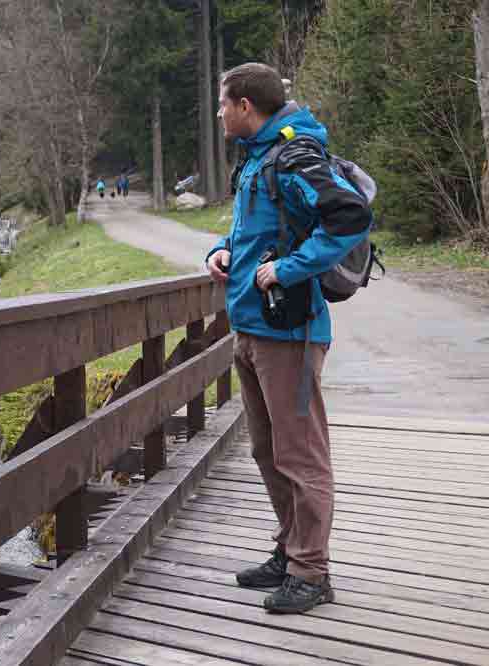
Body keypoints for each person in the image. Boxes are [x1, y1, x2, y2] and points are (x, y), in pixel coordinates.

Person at [205, 63, 371, 614]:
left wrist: (292, 268)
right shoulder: (259, 158)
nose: (220, 112)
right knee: (266, 451)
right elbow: (252, 227)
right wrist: (220, 251)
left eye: (224, 103)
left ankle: (311, 573)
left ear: (246, 106)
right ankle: (288, 549)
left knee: (301, 455)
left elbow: (349, 217)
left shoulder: (296, 155)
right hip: (252, 327)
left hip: (290, 332)